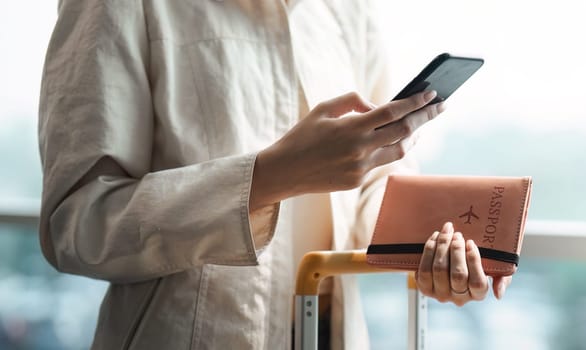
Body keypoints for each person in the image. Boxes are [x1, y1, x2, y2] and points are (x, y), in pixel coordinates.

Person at [38, 0, 511, 349]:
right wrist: (268, 177)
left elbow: (377, 179)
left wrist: (432, 252)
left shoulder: (345, 11)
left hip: (333, 335)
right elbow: (76, 223)